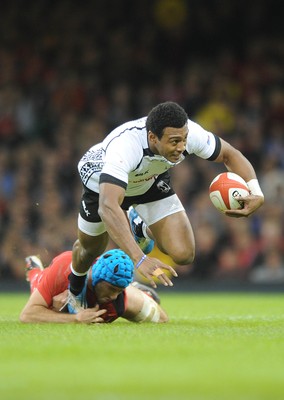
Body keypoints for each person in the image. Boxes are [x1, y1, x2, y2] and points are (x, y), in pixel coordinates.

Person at [68, 101, 264, 311]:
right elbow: (107, 206)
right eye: (174, 141)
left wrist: (256, 191)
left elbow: (230, 154)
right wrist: (140, 258)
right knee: (90, 249)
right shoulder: (125, 146)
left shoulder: (190, 134)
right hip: (101, 185)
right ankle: (75, 289)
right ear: (153, 137)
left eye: (184, 140)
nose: (181, 148)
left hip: (148, 182)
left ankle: (139, 226)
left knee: (184, 253)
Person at [20, 250, 168, 324]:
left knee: (153, 299)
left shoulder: (123, 299)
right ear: (97, 278)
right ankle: (34, 269)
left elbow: (162, 318)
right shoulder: (63, 269)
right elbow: (27, 315)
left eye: (119, 290)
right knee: (41, 287)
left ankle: (137, 289)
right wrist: (76, 318)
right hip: (55, 277)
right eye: (111, 288)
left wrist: (144, 301)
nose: (114, 296)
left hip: (125, 290)